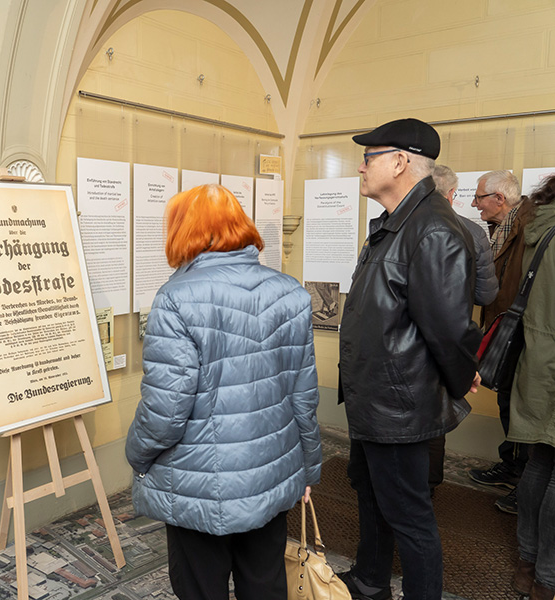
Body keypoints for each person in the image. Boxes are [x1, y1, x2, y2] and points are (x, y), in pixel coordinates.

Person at [125, 184, 321, 600]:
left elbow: (165, 409)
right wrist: (308, 467)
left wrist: (137, 455)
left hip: (199, 480)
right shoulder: (290, 291)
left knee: (200, 587)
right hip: (270, 470)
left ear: (183, 230)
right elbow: (304, 394)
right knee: (266, 583)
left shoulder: (176, 299)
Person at [338, 118, 482, 600]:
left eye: (370, 156)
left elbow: (449, 327)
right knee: (373, 496)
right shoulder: (398, 223)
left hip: (398, 404)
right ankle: (369, 581)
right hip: (376, 398)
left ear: (400, 162)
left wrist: (463, 378)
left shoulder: (432, 230)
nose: (360, 166)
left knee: (410, 516)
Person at [426, 165, 498, 492]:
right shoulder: (472, 231)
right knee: (437, 407)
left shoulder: (399, 226)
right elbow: (486, 294)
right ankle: (430, 480)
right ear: (452, 194)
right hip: (454, 333)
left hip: (409, 336)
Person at [468, 169, 534, 514]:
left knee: (517, 404)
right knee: (507, 400)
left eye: (479, 197)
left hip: (519, 332)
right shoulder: (502, 230)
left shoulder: (527, 228)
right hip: (502, 327)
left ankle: (524, 481)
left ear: (499, 199)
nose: (474, 203)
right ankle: (511, 466)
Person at [506, 174, 555, 600]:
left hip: (538, 363)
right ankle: (547, 579)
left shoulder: (540, 226)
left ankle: (526, 563)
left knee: (540, 464)